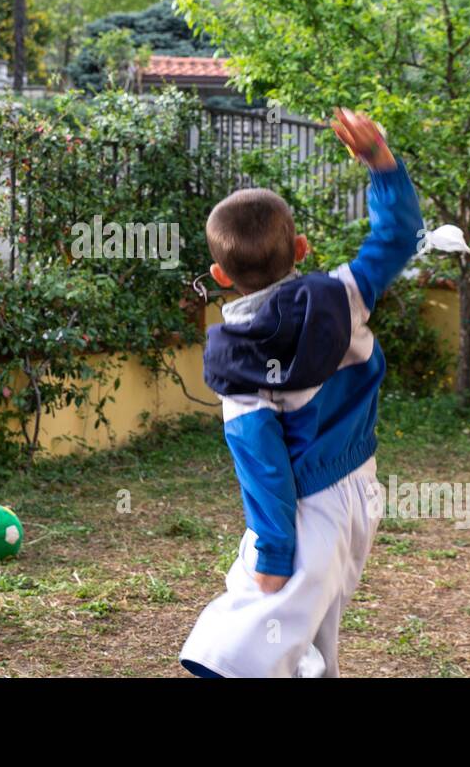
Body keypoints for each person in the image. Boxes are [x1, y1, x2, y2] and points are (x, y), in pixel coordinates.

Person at [179, 108, 423, 678]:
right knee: (310, 640)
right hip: (357, 494)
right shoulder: (344, 295)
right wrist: (381, 163)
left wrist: (274, 549)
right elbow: (397, 236)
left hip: (305, 507)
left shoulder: (234, 356)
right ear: (303, 248)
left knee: (242, 642)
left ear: (219, 275)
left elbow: (262, 461)